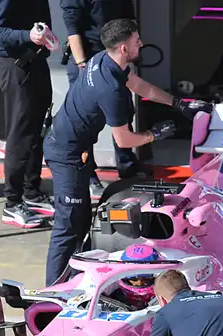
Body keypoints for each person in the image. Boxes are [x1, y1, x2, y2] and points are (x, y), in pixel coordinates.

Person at [43, 18, 212, 286]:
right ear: (123, 47)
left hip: (76, 150)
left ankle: (75, 280)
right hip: (65, 154)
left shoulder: (105, 60)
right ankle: (53, 291)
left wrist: (179, 104)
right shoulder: (109, 88)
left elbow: (139, 86)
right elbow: (123, 140)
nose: (141, 43)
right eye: (136, 40)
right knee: (68, 225)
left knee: (83, 219)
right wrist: (153, 135)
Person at [61, 0, 148, 195]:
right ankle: (88, 176)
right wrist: (82, 64)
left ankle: (127, 166)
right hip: (87, 57)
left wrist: (131, 50)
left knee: (122, 112)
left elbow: (129, 21)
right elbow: (72, 27)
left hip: (114, 57)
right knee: (86, 121)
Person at [0, 0, 54, 228]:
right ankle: (12, 203)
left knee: (38, 130)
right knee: (21, 133)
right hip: (16, 65)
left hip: (37, 62)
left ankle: (31, 192)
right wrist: (28, 36)